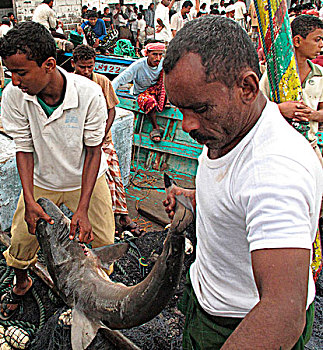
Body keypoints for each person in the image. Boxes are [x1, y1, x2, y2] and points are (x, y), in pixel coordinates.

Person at [162, 16, 322, 349]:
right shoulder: (230, 129)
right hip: (208, 299)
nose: (186, 125)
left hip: (239, 327)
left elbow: (282, 314)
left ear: (247, 88)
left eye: (199, 108)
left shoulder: (274, 171)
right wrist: (195, 200)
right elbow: (238, 199)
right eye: (180, 109)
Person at [0, 22, 115, 311]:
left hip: (84, 179)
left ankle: (99, 288)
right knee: (22, 240)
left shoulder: (89, 94)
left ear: (49, 64)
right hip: (42, 181)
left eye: (21, 72)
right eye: (10, 72)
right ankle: (22, 281)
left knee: (101, 239)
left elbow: (93, 151)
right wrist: (28, 199)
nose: (14, 80)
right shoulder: (15, 96)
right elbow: (24, 149)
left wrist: (83, 208)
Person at [72, 44, 142, 236]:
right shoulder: (69, 84)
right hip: (80, 141)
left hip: (102, 139)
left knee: (114, 175)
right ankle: (99, 216)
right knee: (92, 180)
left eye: (90, 66)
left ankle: (123, 215)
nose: (86, 71)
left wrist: (104, 132)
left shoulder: (102, 81)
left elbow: (112, 109)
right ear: (73, 64)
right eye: (82, 67)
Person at [260, 15, 323, 167]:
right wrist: (280, 109)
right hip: (277, 148)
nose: (321, 45)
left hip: (309, 144)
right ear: (297, 41)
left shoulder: (320, 74)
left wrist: (312, 114)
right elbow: (257, 107)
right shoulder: (274, 75)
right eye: (317, 39)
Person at [112, 42, 167, 142]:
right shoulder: (138, 65)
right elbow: (120, 79)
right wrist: (109, 94)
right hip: (142, 94)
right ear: (147, 54)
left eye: (160, 55)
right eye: (154, 54)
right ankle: (155, 127)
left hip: (157, 91)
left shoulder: (164, 64)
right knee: (149, 101)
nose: (158, 58)